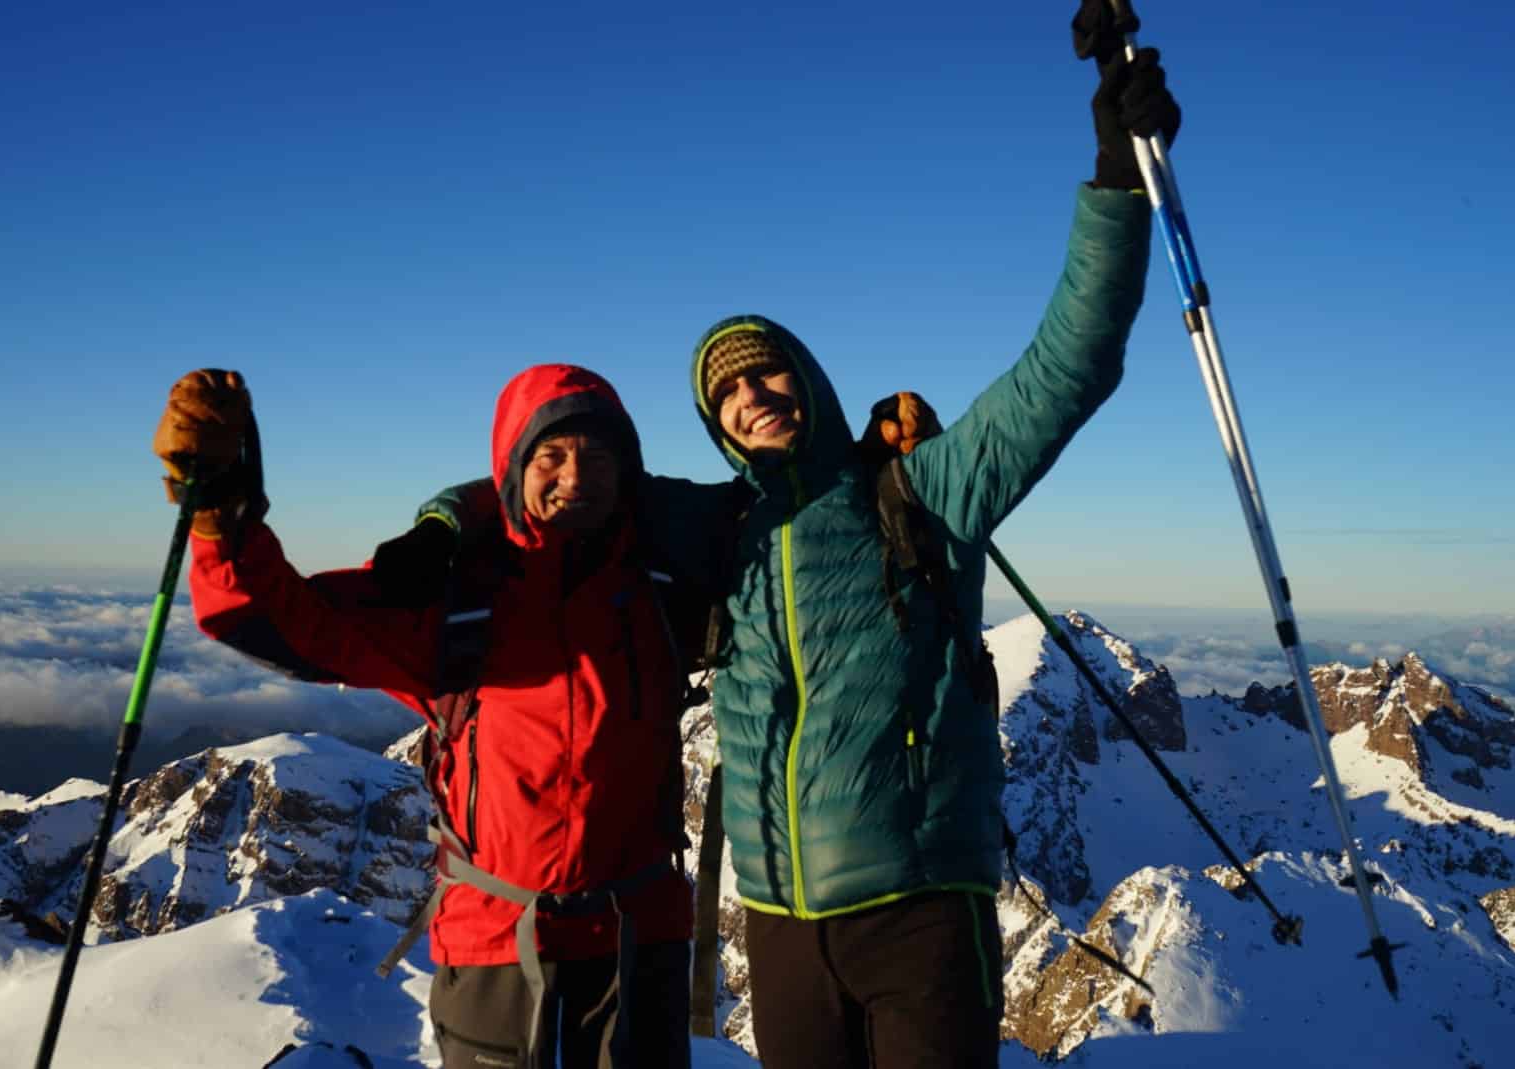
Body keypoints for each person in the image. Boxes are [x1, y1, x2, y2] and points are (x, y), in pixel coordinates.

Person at [381, 14, 1181, 1067]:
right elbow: (563, 478)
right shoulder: (719, 523)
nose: (753, 396)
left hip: (920, 908)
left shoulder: (921, 490)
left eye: (767, 372)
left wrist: (1115, 183)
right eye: (728, 392)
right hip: (778, 922)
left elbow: (1067, 365)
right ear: (715, 425)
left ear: (805, 377)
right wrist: (447, 519)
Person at [151, 365, 695, 1069]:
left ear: (628, 471)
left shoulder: (667, 589)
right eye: (550, 455)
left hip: (638, 943)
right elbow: (285, 620)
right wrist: (221, 513)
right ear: (513, 467)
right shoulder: (455, 600)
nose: (574, 475)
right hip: (501, 941)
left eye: (597, 455)